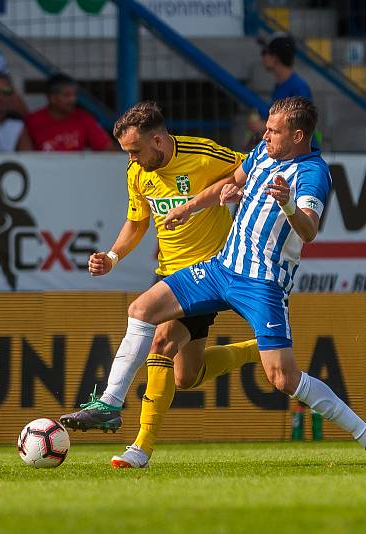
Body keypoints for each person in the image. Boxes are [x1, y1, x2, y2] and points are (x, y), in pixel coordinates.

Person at [61, 96, 366, 466]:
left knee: (283, 378)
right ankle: (111, 404)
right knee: (142, 310)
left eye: (274, 131)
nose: (265, 135)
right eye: (267, 128)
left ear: (297, 135)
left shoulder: (312, 173)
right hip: (221, 268)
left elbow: (308, 231)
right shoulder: (262, 152)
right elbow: (231, 180)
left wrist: (288, 205)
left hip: (263, 283)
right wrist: (190, 206)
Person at [59, 101, 261, 469]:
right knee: (187, 376)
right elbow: (136, 223)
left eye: (136, 150)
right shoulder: (137, 172)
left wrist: (231, 190)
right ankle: (256, 351)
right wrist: (113, 256)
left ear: (158, 140)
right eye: (127, 153)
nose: (132, 159)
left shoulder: (202, 154)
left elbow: (251, 168)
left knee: (161, 341)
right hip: (168, 272)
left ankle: (138, 445)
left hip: (208, 273)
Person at [25, 73, 114, 152]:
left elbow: (108, 149)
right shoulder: (32, 121)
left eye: (74, 95)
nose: (73, 99)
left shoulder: (83, 118)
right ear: (53, 98)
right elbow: (25, 156)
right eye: (67, 95)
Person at [261, 35, 312, 103]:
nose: (263, 57)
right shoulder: (281, 85)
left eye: (264, 52)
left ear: (276, 56)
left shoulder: (298, 88)